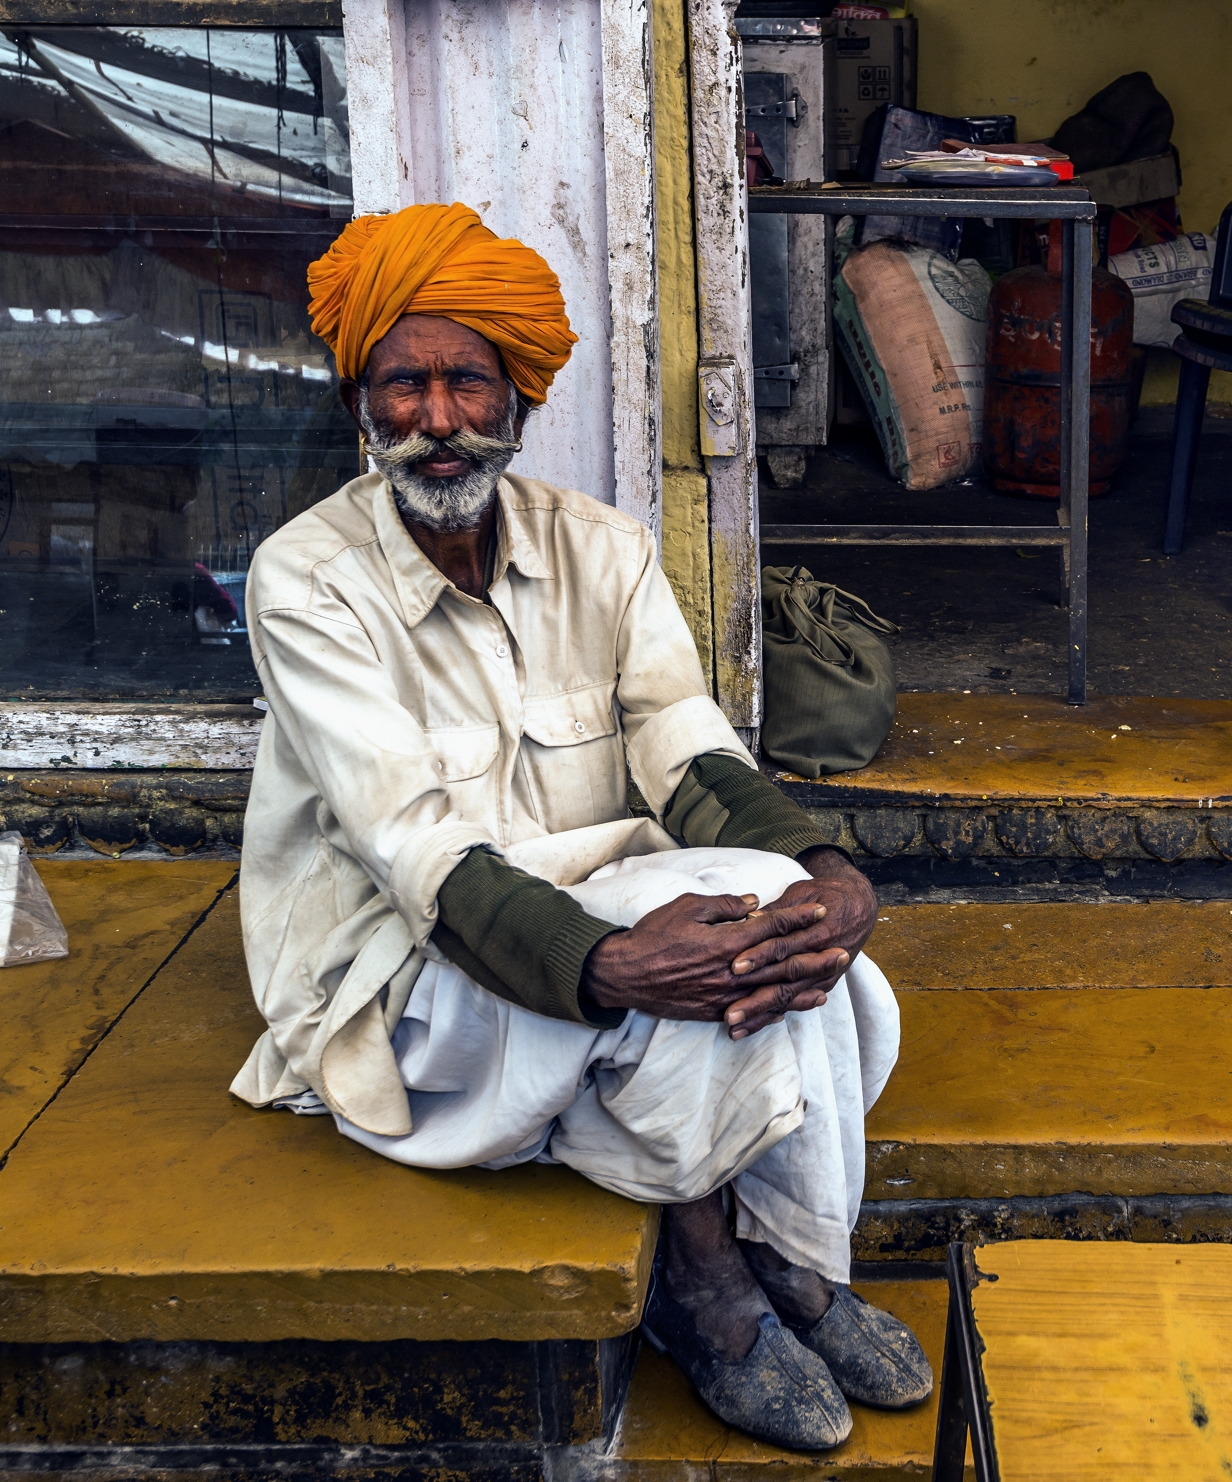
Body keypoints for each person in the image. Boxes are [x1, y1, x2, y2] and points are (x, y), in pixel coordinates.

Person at [228, 203, 927, 1452]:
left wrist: (825, 872)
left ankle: (779, 1259)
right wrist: (606, 965)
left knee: (784, 932)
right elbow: (410, 842)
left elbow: (685, 742)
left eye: (466, 383)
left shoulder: (602, 548)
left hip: (604, 913)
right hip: (401, 965)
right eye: (402, 386)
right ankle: (719, 1278)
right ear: (359, 401)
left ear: (519, 399)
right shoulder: (303, 578)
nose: (436, 421)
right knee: (687, 979)